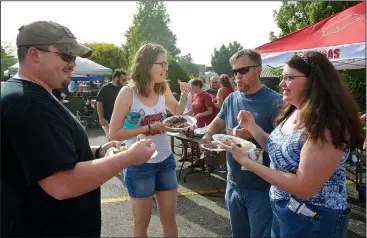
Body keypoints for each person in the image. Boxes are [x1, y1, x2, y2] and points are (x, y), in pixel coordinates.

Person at [1, 21, 155, 237]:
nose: (73, 63)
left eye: (74, 57)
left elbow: (42, 158)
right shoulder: (28, 103)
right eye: (66, 55)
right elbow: (61, 184)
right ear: (34, 54)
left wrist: (97, 152)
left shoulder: (31, 95)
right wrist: (128, 157)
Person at [224, 52, 365, 237]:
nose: (281, 83)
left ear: (314, 82)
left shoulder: (327, 125)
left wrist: (248, 163)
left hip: (313, 220)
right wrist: (253, 127)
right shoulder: (296, 111)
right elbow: (278, 149)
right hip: (285, 212)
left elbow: (303, 187)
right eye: (283, 77)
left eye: (289, 78)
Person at [109, 43, 190, 237]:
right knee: (141, 224)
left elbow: (177, 112)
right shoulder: (128, 93)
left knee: (169, 220)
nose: (166, 68)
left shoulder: (162, 88)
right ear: (146, 65)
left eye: (166, 63)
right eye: (161, 64)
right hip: (139, 164)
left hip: (166, 161)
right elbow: (114, 133)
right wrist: (150, 127)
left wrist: (185, 96)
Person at [203, 49, 283, 238]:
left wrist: (253, 134)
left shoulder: (276, 102)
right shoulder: (232, 98)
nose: (237, 76)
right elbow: (219, 121)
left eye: (243, 70)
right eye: (234, 72)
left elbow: (283, 148)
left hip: (261, 187)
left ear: (258, 70)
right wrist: (208, 134)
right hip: (233, 182)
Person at [96, 68, 128, 139]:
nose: (125, 82)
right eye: (123, 80)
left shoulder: (123, 88)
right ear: (116, 78)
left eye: (126, 80)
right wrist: (101, 118)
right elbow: (99, 103)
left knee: (121, 140)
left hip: (122, 120)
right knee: (112, 139)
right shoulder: (105, 88)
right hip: (108, 120)